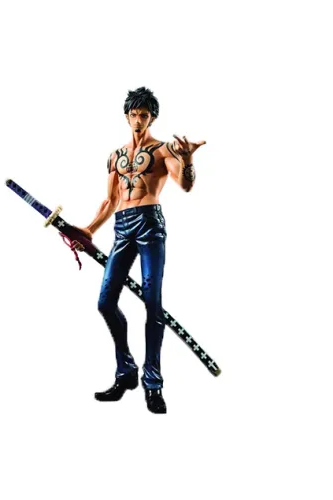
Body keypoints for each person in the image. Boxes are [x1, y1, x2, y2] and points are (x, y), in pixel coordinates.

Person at [71, 87, 205, 414]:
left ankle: (153, 384)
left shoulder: (163, 150)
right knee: (105, 302)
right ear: (126, 116)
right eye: (133, 114)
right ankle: (126, 372)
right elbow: (110, 200)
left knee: (152, 304)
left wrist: (187, 159)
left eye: (144, 115)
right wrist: (88, 230)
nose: (138, 120)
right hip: (121, 226)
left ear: (152, 118)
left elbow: (185, 185)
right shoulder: (115, 155)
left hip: (149, 224)